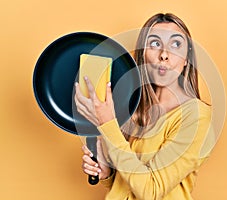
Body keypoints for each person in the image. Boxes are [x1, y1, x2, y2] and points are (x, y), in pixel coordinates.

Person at [74, 13, 212, 200]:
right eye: (155, 44)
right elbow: (128, 183)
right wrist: (108, 174)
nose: (164, 55)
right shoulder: (135, 108)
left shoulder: (196, 116)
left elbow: (151, 191)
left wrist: (108, 123)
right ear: (142, 55)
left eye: (176, 45)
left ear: (187, 58)